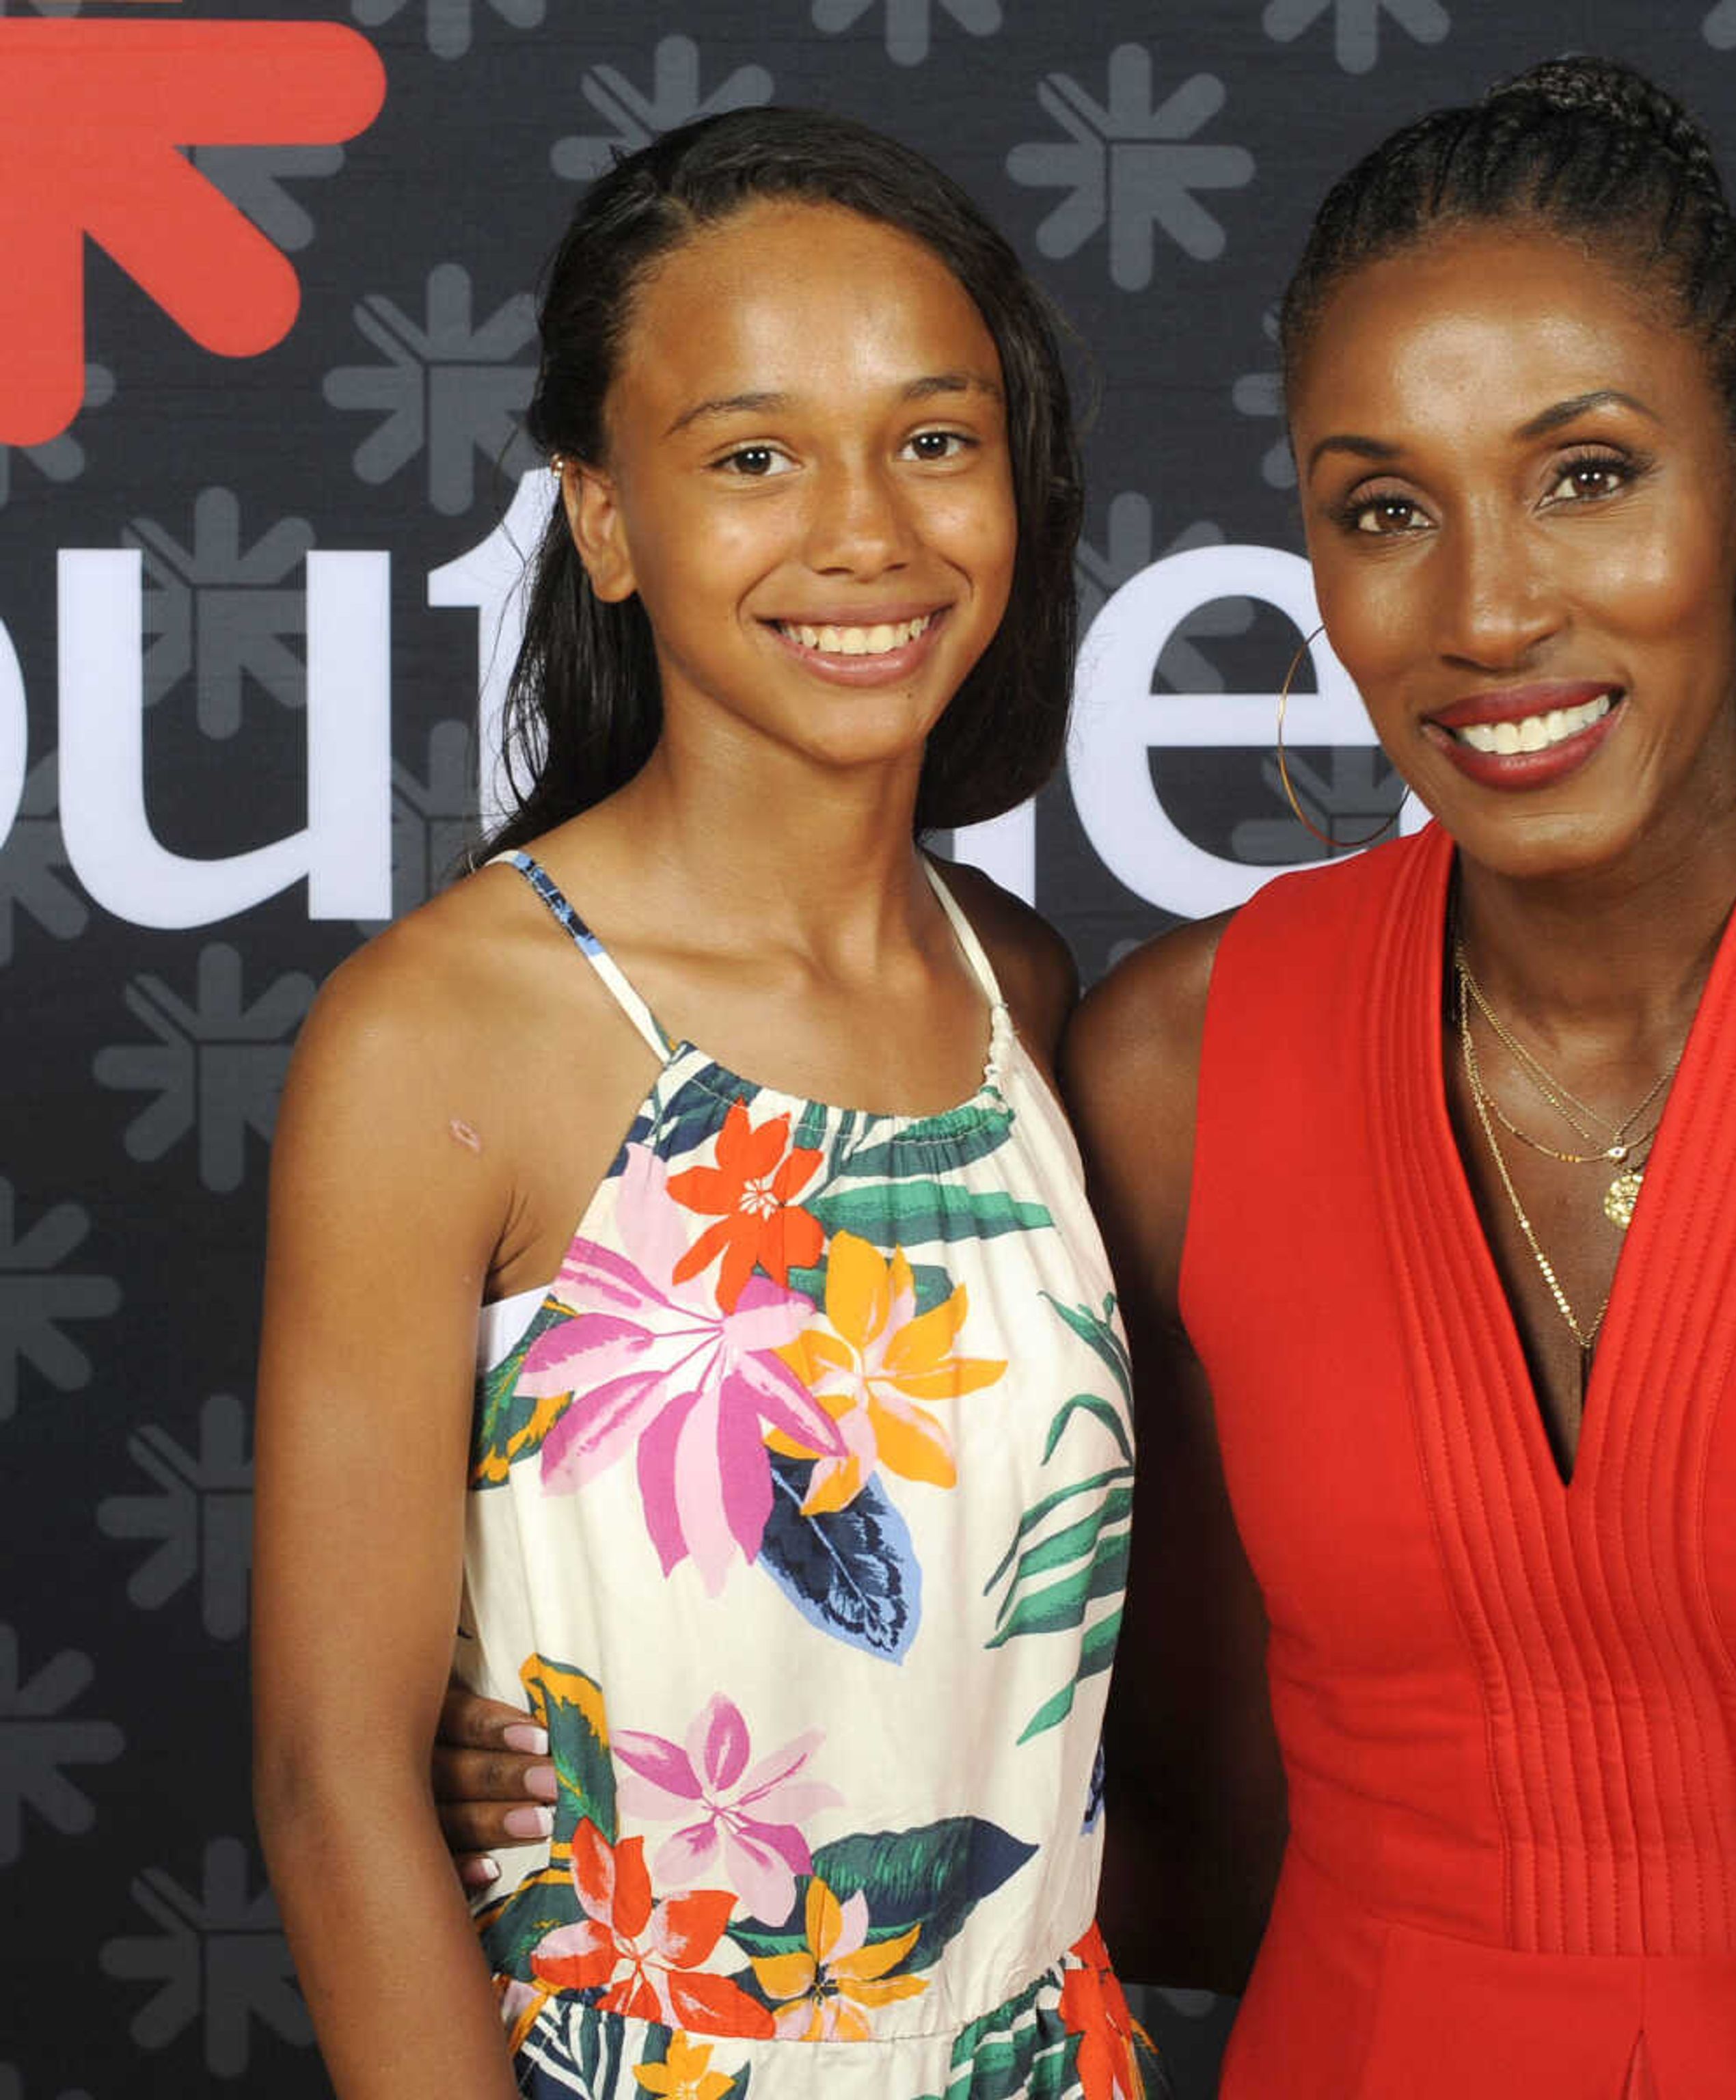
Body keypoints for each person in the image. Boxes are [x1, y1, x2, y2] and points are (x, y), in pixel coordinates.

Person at [437, 57, 1736, 2098]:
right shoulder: (1176, 1066)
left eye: (1590, 475)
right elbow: (1137, 1821)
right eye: (1384, 510)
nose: (1491, 609)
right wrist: (591, 1721)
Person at [253, 109, 1159, 2100]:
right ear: (599, 516)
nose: (869, 534)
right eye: (753, 456)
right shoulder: (445, 1038)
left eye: (935, 440)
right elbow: (335, 1788)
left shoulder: (1017, 992)